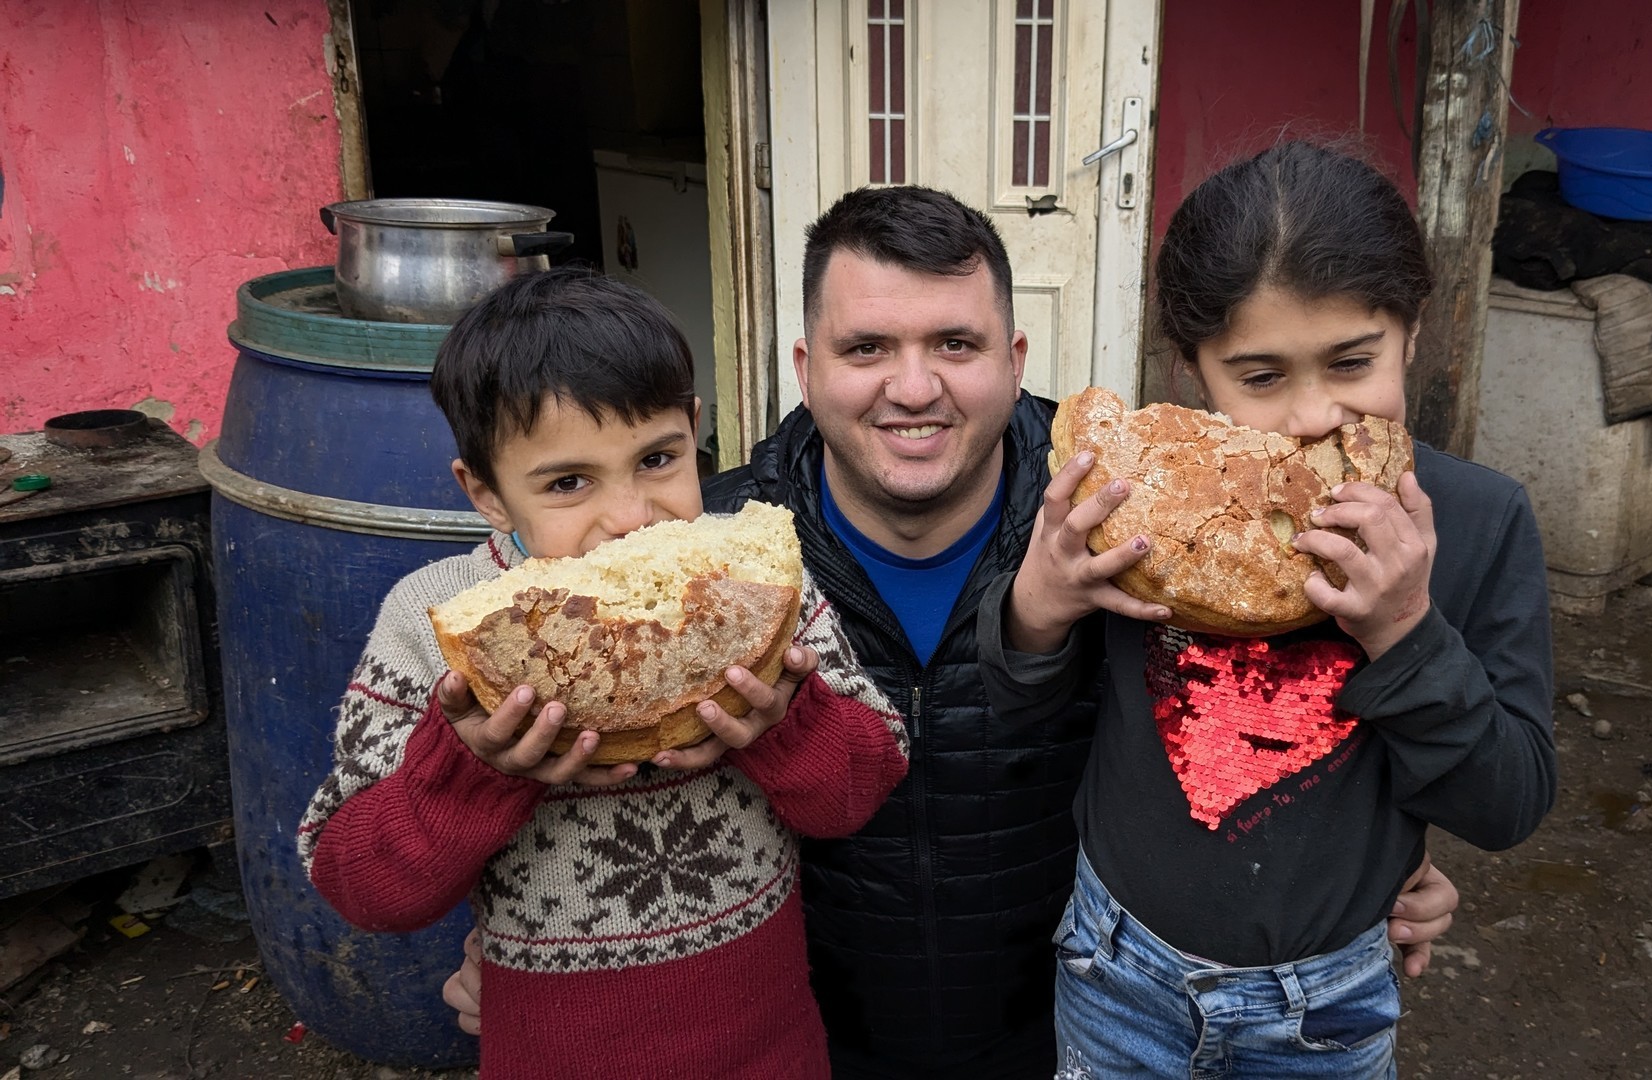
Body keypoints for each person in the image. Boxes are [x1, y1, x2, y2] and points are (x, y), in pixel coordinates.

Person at [444, 186, 1466, 1078]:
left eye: (956, 344)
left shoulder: (1130, 531)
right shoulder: (710, 568)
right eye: (868, 348)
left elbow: (1249, 723)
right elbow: (579, 766)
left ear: (1015, 359)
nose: (915, 385)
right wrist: (518, 942)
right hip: (807, 1041)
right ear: (807, 365)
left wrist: (1365, 863)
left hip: (1076, 1030)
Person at [979, 140, 1558, 1078]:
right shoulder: (1139, 511)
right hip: (1118, 976)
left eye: (1352, 362)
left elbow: (1508, 802)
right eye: (1260, 377)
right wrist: (1038, 607)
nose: (1312, 414)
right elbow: (1021, 717)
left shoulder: (1478, 525)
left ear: (1411, 333)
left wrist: (1406, 632)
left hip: (1327, 1013)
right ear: (1193, 373)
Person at [298, 267, 909, 1080]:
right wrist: (471, 770)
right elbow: (362, 887)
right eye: (568, 482)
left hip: (772, 1053)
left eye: (658, 458)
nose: (628, 518)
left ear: (695, 430)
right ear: (484, 491)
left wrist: (787, 723)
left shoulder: (760, 581)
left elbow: (863, 789)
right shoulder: (437, 620)